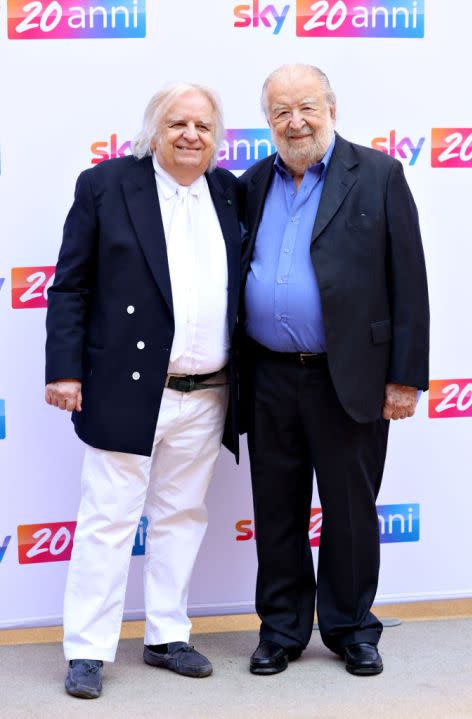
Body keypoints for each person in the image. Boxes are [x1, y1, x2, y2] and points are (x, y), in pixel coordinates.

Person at [45, 83, 241, 698]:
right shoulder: (106, 186)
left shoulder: (229, 191)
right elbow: (69, 286)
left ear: (217, 138)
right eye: (178, 123)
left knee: (182, 515)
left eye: (203, 127)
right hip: (126, 389)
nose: (190, 135)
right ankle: (87, 647)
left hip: (207, 392)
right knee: (108, 517)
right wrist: (64, 370)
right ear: (154, 130)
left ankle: (166, 635)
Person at [239, 64, 429, 677]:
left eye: (306, 107)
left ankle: (351, 628)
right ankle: (282, 629)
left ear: (331, 107)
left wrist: (405, 378)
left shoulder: (377, 175)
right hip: (267, 376)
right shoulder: (249, 183)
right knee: (276, 508)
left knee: (350, 509)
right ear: (267, 121)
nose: (295, 122)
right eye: (280, 112)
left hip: (350, 377)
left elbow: (410, 284)